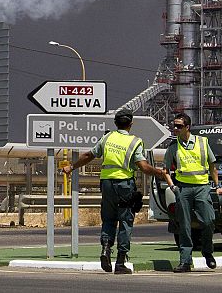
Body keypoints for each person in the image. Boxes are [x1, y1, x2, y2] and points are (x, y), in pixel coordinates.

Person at [61, 109, 166, 274]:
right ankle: (120, 262)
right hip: (124, 184)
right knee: (125, 221)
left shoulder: (107, 137)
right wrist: (159, 172)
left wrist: (72, 166)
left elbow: (89, 155)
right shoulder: (135, 142)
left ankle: (105, 249)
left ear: (116, 124)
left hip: (107, 184)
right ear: (131, 124)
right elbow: (144, 167)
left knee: (109, 219)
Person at [163, 112, 222, 272]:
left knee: (208, 221)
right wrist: (173, 187)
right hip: (183, 188)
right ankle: (185, 261)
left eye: (179, 126)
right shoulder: (173, 146)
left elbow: (213, 167)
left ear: (187, 127)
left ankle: (207, 252)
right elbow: (165, 170)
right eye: (174, 125)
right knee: (184, 226)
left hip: (202, 188)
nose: (175, 129)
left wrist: (217, 186)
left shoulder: (202, 143)